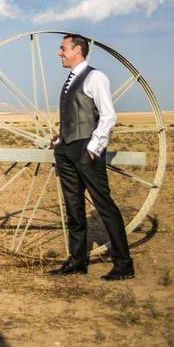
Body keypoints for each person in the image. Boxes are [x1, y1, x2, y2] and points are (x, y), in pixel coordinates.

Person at [50, 34, 135, 281]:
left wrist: (93, 148)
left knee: (104, 206)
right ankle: (77, 261)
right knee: (73, 207)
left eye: (63, 48)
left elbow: (108, 115)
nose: (59, 53)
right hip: (66, 150)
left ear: (78, 50)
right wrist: (59, 141)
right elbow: (74, 116)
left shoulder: (96, 77)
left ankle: (124, 265)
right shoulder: (71, 78)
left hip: (86, 150)